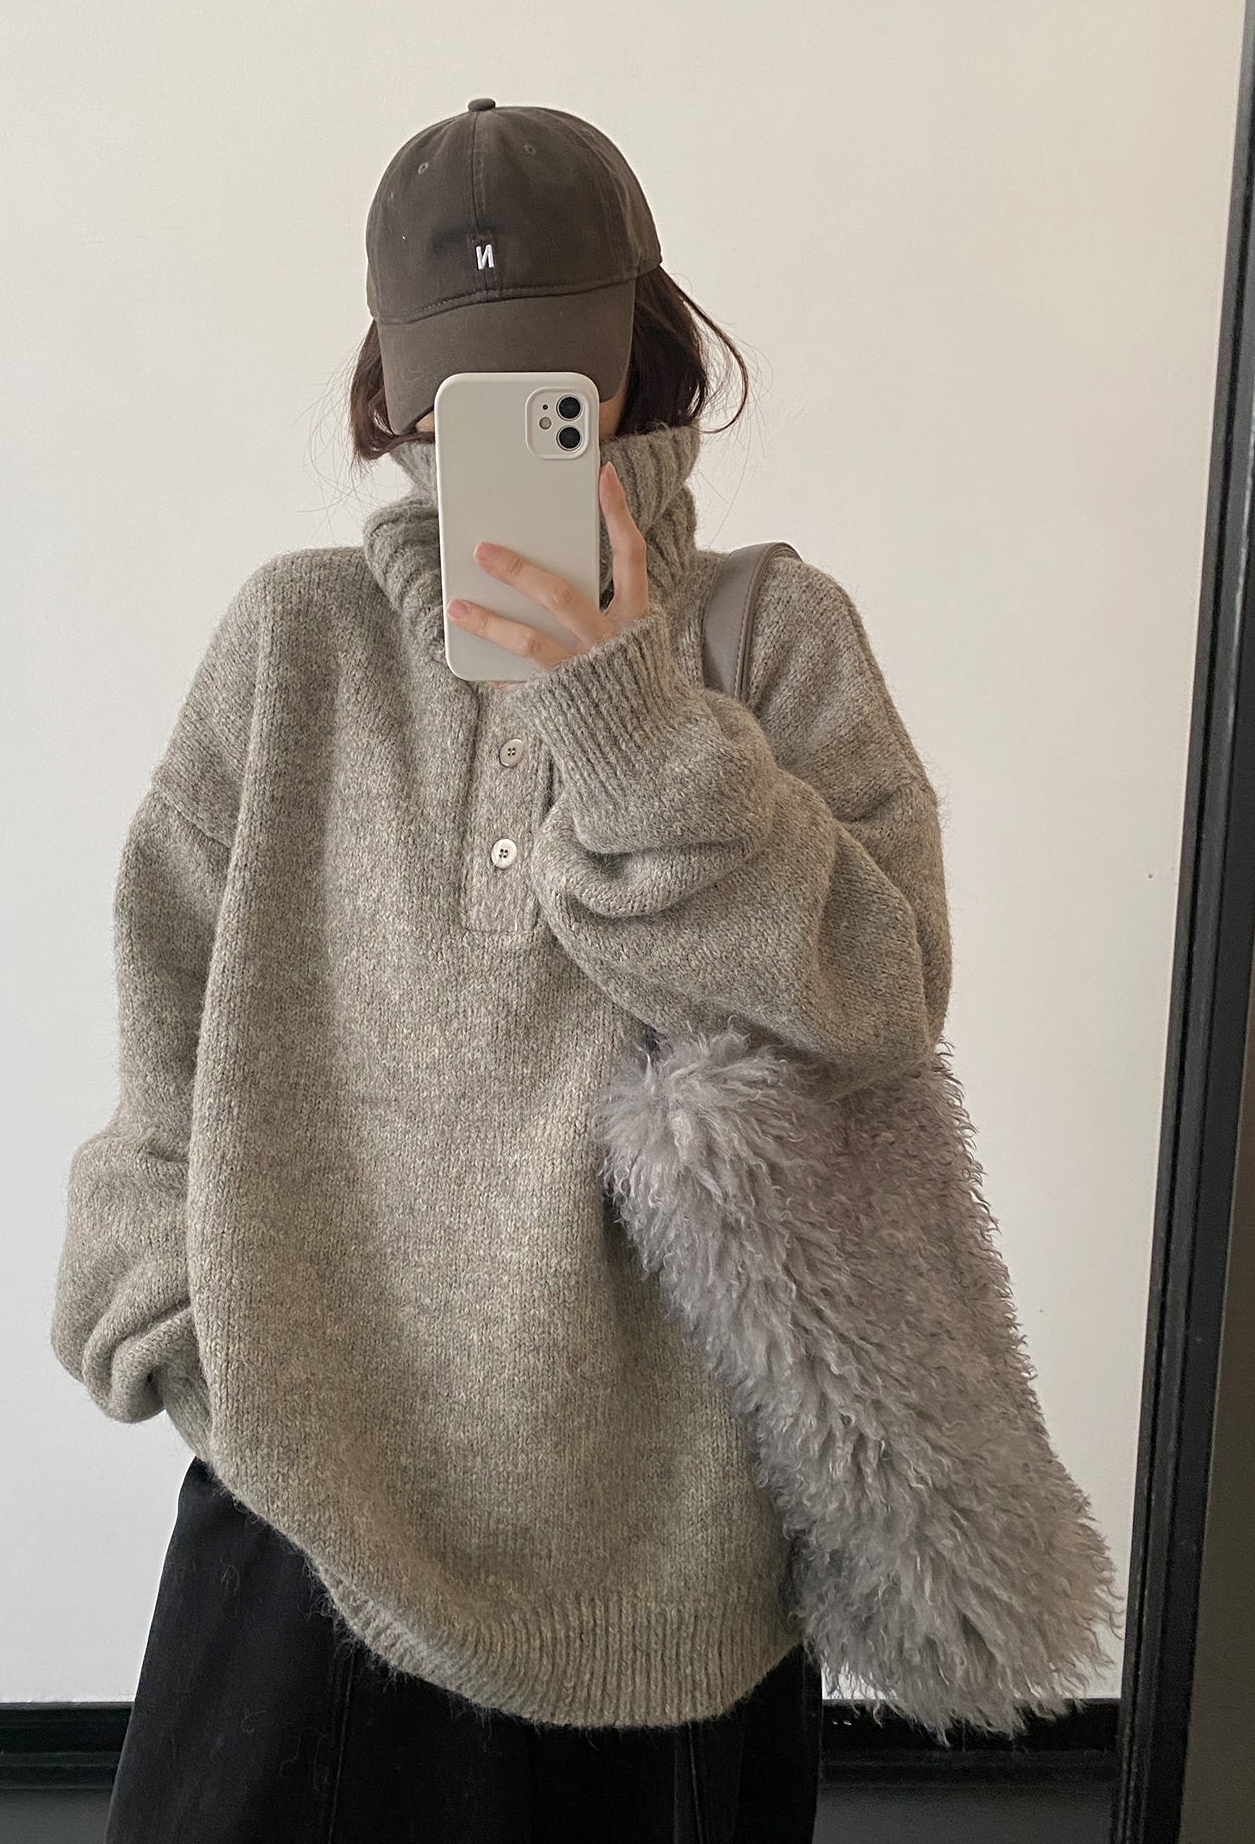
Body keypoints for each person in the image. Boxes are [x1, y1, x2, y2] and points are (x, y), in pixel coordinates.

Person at [51, 99, 953, 1842]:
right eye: (460, 388)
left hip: (671, 1543)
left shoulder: (777, 639)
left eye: (547, 378)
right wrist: (163, 1306)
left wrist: (623, 710)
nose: (502, 427)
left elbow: (880, 999)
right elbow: (165, 1000)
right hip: (304, 1496)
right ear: (392, 391)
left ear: (639, 356)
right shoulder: (295, 644)